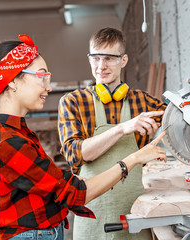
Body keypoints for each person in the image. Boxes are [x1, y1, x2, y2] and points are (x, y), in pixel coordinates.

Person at [0, 34, 167, 240]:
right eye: (42, 76)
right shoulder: (6, 141)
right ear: (13, 81)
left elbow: (47, 183)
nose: (48, 86)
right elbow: (77, 193)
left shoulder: (14, 131)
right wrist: (134, 158)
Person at [58, 27, 167, 240]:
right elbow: (77, 154)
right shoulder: (72, 102)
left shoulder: (142, 102)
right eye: (96, 58)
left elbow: (176, 117)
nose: (101, 66)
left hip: (135, 214)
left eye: (109, 58)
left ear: (123, 60)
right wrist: (122, 128)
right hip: (93, 218)